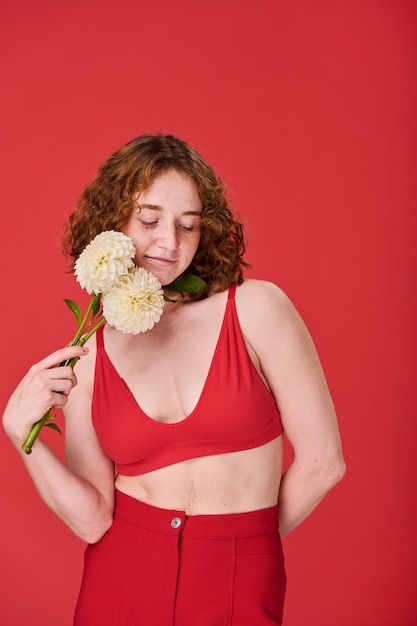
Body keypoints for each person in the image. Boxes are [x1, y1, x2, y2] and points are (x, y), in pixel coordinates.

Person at [2, 134, 346, 625]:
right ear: (113, 224)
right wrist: (22, 439)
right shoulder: (92, 350)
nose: (169, 243)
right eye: (149, 220)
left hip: (237, 577)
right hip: (121, 576)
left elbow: (324, 463)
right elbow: (93, 516)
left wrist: (245, 546)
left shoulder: (256, 309)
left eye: (189, 225)